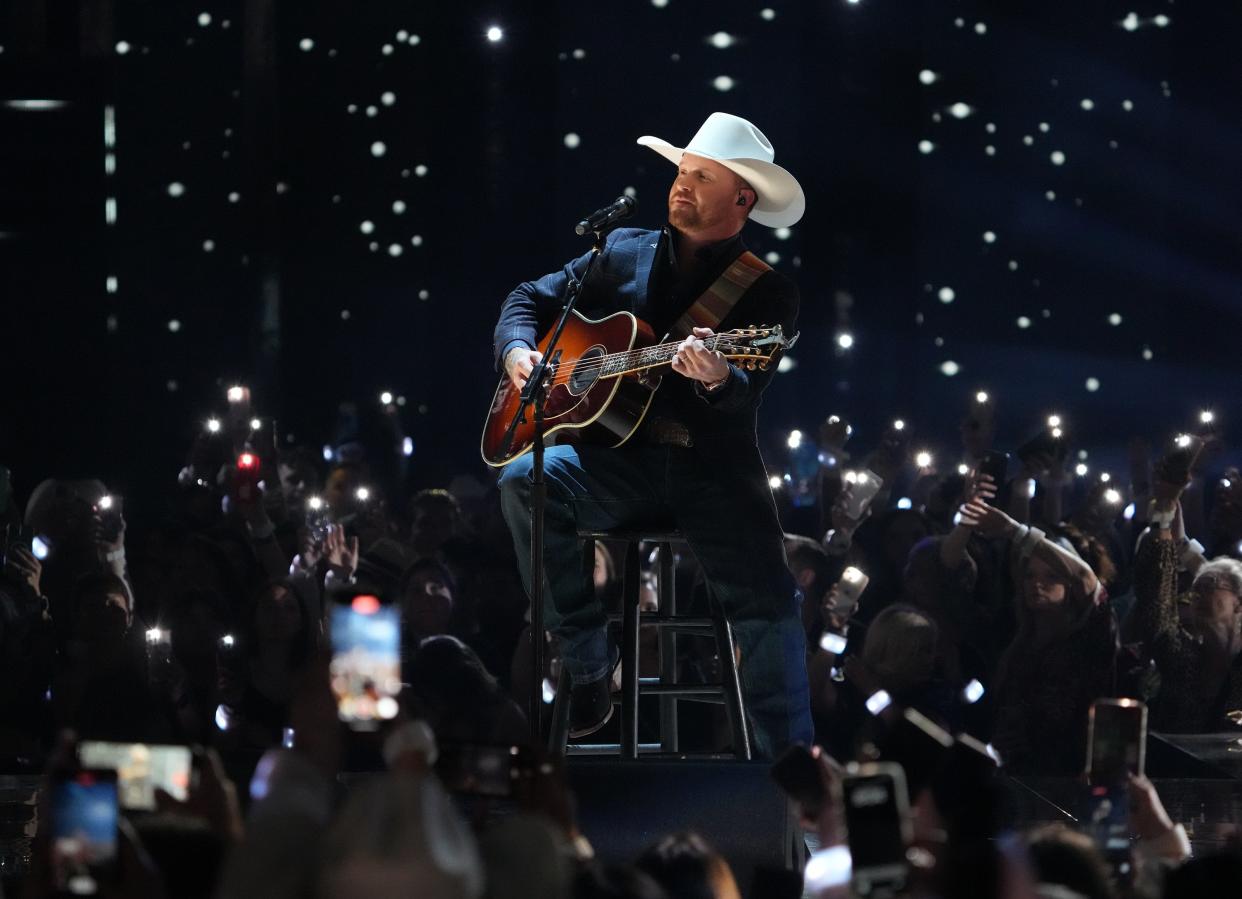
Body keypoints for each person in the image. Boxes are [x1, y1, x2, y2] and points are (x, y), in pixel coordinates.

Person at [494, 112, 811, 757]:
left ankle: (793, 785)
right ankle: (588, 666)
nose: (681, 186)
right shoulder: (621, 251)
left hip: (712, 477)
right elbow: (527, 297)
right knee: (524, 479)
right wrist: (519, 352)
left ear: (742, 199)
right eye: (681, 173)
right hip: (617, 466)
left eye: (701, 177)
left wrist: (719, 378)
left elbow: (744, 398)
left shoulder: (767, 294)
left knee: (767, 606)